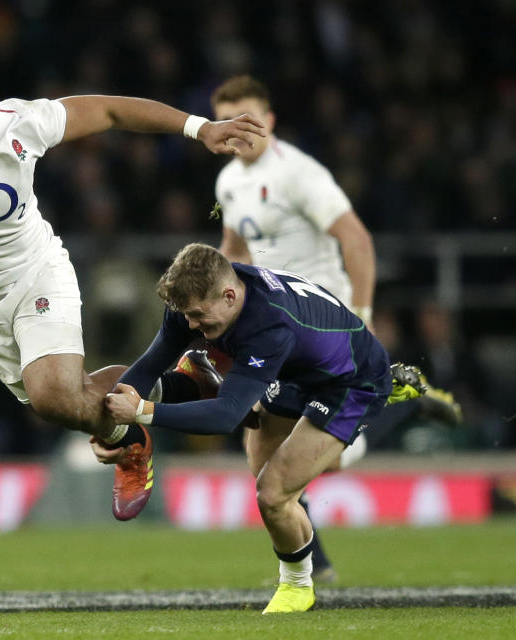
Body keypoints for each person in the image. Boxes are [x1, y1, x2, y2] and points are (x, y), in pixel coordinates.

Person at [0, 50, 264, 520]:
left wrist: (199, 128)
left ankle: (139, 430)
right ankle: (172, 392)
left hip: (37, 271)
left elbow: (109, 110)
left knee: (52, 394)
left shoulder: (22, 122)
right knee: (67, 404)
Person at [207, 75, 461, 581]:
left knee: (298, 452)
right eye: (229, 122)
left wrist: (360, 319)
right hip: (279, 332)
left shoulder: (301, 175)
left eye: (249, 119)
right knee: (267, 450)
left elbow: (357, 241)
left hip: (325, 329)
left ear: (271, 120)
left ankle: (397, 398)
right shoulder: (229, 181)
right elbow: (233, 253)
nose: (240, 132)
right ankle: (314, 564)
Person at [97, 243, 424, 613]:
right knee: (260, 465)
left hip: (350, 382)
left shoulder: (268, 326)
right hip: (294, 369)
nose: (191, 325)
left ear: (229, 296)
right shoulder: (203, 297)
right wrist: (111, 431)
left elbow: (225, 417)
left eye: (198, 316)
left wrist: (140, 412)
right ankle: (216, 382)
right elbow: (146, 368)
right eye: (186, 316)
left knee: (272, 494)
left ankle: (298, 585)